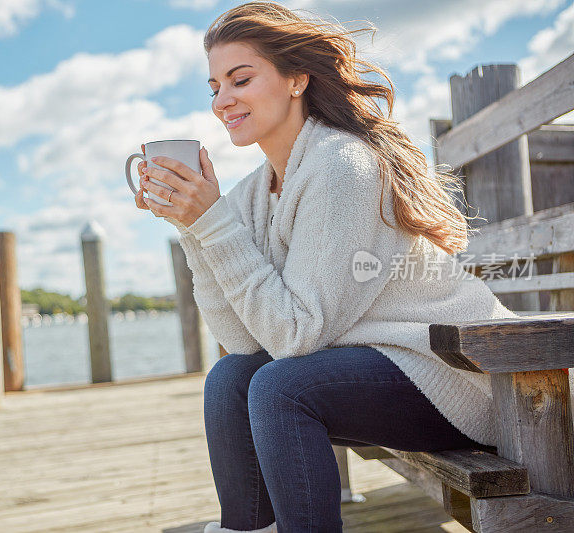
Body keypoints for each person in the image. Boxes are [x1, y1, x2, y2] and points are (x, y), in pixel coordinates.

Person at [132, 2, 518, 532]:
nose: (223, 100)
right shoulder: (252, 191)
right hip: (375, 364)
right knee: (230, 377)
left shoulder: (343, 166)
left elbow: (295, 337)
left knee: (281, 388)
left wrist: (213, 224)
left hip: (458, 374)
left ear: (296, 79)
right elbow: (244, 342)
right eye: (214, 86)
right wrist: (195, 227)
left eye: (240, 79)